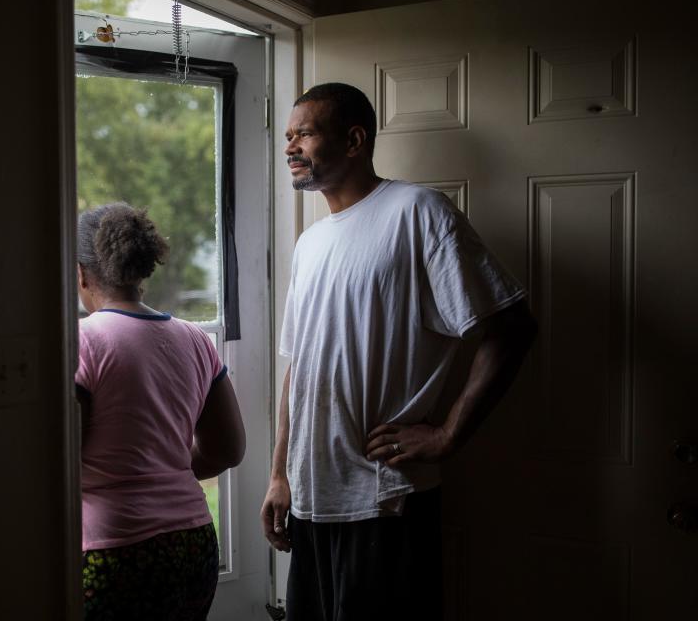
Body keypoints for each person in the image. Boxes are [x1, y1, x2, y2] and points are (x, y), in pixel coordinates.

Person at [260, 83, 537, 620]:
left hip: (383, 498)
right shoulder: (310, 243)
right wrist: (279, 475)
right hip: (311, 499)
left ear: (354, 140)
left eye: (306, 134)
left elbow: (512, 326)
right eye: (287, 136)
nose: (290, 147)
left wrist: (449, 434)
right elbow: (299, 368)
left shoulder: (419, 212)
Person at [75, 202, 246, 621]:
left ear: (80, 273)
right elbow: (228, 449)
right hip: (192, 544)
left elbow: (64, 460)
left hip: (114, 550)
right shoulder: (194, 339)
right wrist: (160, 466)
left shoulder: (83, 341)